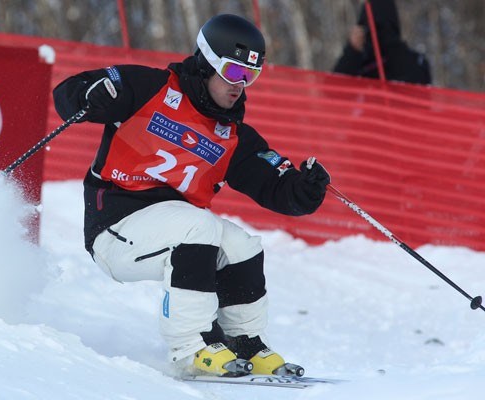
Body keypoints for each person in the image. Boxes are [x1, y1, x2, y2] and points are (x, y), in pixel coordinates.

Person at [53, 14, 330, 377]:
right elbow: (69, 94)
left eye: (251, 76)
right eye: (234, 73)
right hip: (115, 227)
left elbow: (277, 190)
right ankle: (190, 348)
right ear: (207, 62)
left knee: (240, 244)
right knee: (198, 226)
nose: (241, 86)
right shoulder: (147, 87)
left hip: (173, 232)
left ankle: (244, 341)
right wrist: (89, 96)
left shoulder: (233, 137)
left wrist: (304, 190)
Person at [333, 0, 431, 85]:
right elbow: (333, 90)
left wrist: (393, 47)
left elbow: (419, 83)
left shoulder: (413, 62)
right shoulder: (358, 65)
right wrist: (352, 52)